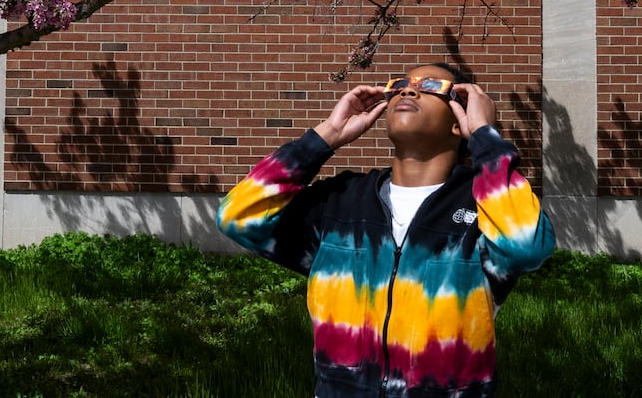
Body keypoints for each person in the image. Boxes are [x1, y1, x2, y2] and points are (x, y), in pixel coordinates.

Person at [217, 62, 556, 398]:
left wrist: (486, 137)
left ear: (459, 123)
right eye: (400, 84)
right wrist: (324, 138)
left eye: (431, 87)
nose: (409, 90)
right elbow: (239, 217)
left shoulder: (485, 206)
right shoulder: (342, 201)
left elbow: (526, 245)